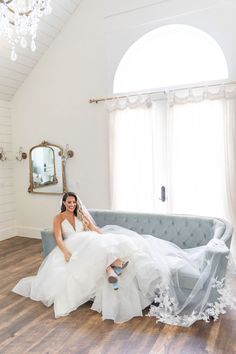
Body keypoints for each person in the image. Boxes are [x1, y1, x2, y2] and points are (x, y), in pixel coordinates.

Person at [12, 192, 236, 326]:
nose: (71, 205)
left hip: (89, 239)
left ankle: (111, 269)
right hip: (74, 245)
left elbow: (96, 229)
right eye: (68, 203)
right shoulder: (59, 218)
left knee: (104, 242)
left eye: (74, 203)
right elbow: (59, 238)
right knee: (96, 247)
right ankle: (114, 267)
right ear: (64, 203)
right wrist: (65, 252)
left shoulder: (81, 215)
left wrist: (100, 232)